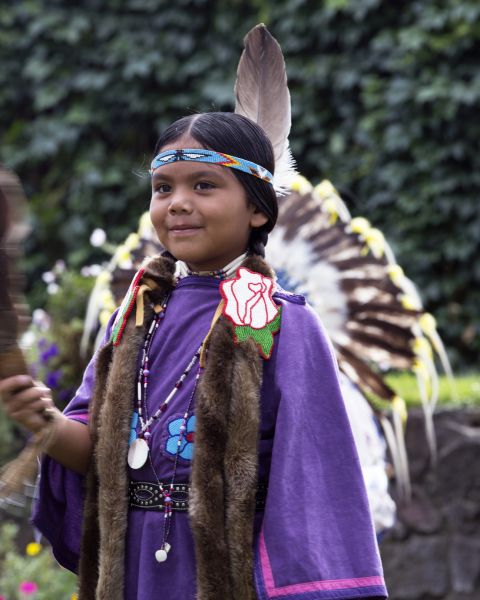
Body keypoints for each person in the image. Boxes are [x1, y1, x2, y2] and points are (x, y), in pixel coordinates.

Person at [0, 111, 387, 600]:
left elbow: (313, 479)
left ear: (258, 210)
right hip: (133, 569)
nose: (178, 203)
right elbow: (97, 450)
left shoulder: (285, 323)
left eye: (204, 185)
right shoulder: (136, 314)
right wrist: (47, 425)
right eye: (163, 188)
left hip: (231, 571)